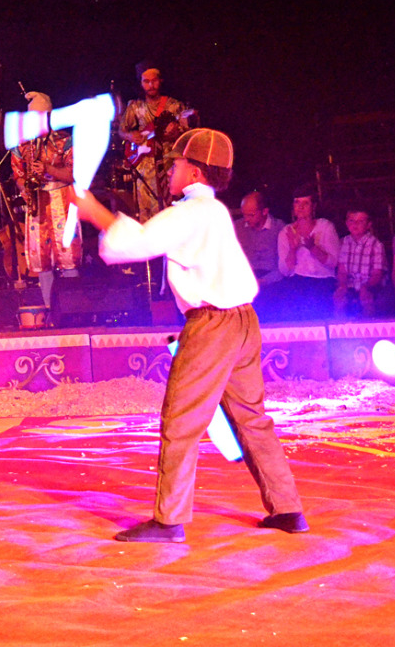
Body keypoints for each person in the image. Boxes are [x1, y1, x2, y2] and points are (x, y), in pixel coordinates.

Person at [74, 128, 307, 543]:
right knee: (252, 418)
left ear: (195, 171)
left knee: (181, 420)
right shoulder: (214, 211)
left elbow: (139, 243)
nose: (170, 171)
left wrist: (94, 212)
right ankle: (287, 508)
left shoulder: (191, 212)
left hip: (212, 325)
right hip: (243, 321)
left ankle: (169, 520)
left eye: (176, 164)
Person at [9, 91, 81, 310]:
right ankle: (50, 309)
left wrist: (48, 169)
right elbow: (18, 175)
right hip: (37, 202)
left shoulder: (65, 140)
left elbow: (74, 174)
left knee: (67, 254)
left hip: (62, 200)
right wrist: (24, 187)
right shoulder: (22, 144)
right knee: (41, 260)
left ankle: (72, 309)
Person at [118, 64, 194, 221]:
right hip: (143, 170)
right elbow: (121, 131)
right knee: (146, 215)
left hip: (168, 168)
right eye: (146, 81)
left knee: (170, 213)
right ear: (140, 83)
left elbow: (188, 135)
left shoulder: (174, 106)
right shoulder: (135, 106)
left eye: (154, 81)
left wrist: (176, 133)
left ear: (161, 81)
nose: (151, 85)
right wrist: (131, 136)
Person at [275, 184, 340, 320]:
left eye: (306, 203)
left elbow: (333, 262)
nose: (301, 207)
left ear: (313, 206)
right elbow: (284, 270)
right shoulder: (286, 232)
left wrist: (313, 248)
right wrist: (293, 250)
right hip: (298, 281)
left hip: (323, 280)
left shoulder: (325, 227)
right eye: (297, 202)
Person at [333, 207, 386, 318]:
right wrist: (342, 285)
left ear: (368, 224)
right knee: (338, 297)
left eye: (360, 221)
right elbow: (342, 271)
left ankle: (368, 327)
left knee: (367, 299)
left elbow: (377, 274)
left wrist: (366, 287)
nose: (355, 224)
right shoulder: (343, 242)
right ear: (347, 223)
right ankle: (340, 329)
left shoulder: (376, 245)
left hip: (370, 285)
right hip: (350, 285)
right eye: (352, 221)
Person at [234, 191, 285, 288]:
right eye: (244, 214)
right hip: (245, 279)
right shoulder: (237, 227)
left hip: (272, 281)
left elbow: (283, 265)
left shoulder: (279, 228)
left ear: (264, 211)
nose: (246, 219)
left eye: (251, 215)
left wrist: (264, 281)